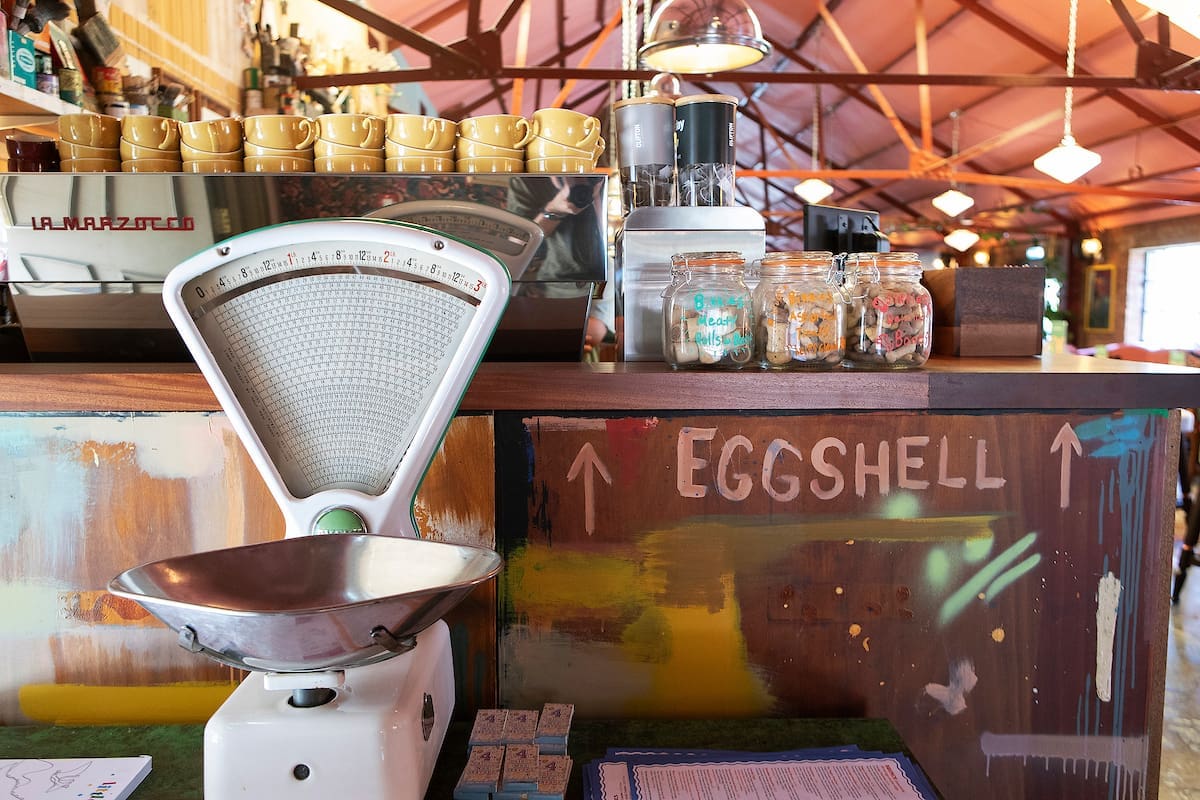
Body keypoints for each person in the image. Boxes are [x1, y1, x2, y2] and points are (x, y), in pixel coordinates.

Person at [507, 176, 613, 357]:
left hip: (597, 283)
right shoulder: (527, 182)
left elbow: (601, 246)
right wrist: (553, 210)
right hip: (547, 292)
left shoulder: (597, 180)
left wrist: (593, 194)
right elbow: (516, 246)